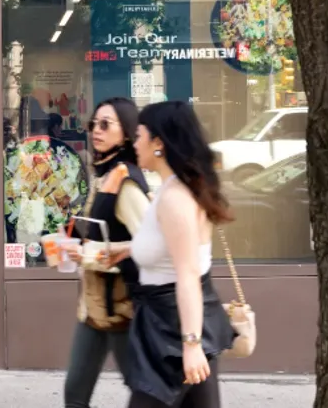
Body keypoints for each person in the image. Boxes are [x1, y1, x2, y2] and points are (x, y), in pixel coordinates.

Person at [107, 101, 236, 408]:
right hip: (169, 323)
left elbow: (188, 274)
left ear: (158, 143)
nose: (133, 143)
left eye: (139, 135)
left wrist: (191, 345)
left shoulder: (175, 199)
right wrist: (127, 250)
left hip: (173, 328)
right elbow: (169, 249)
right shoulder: (169, 190)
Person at [63, 97, 151, 408]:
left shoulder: (125, 181)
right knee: (75, 395)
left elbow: (150, 247)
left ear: (126, 133)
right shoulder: (106, 174)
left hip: (122, 311)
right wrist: (71, 238)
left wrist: (88, 256)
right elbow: (100, 229)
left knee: (145, 393)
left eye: (105, 125)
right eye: (93, 124)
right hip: (94, 310)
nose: (95, 131)